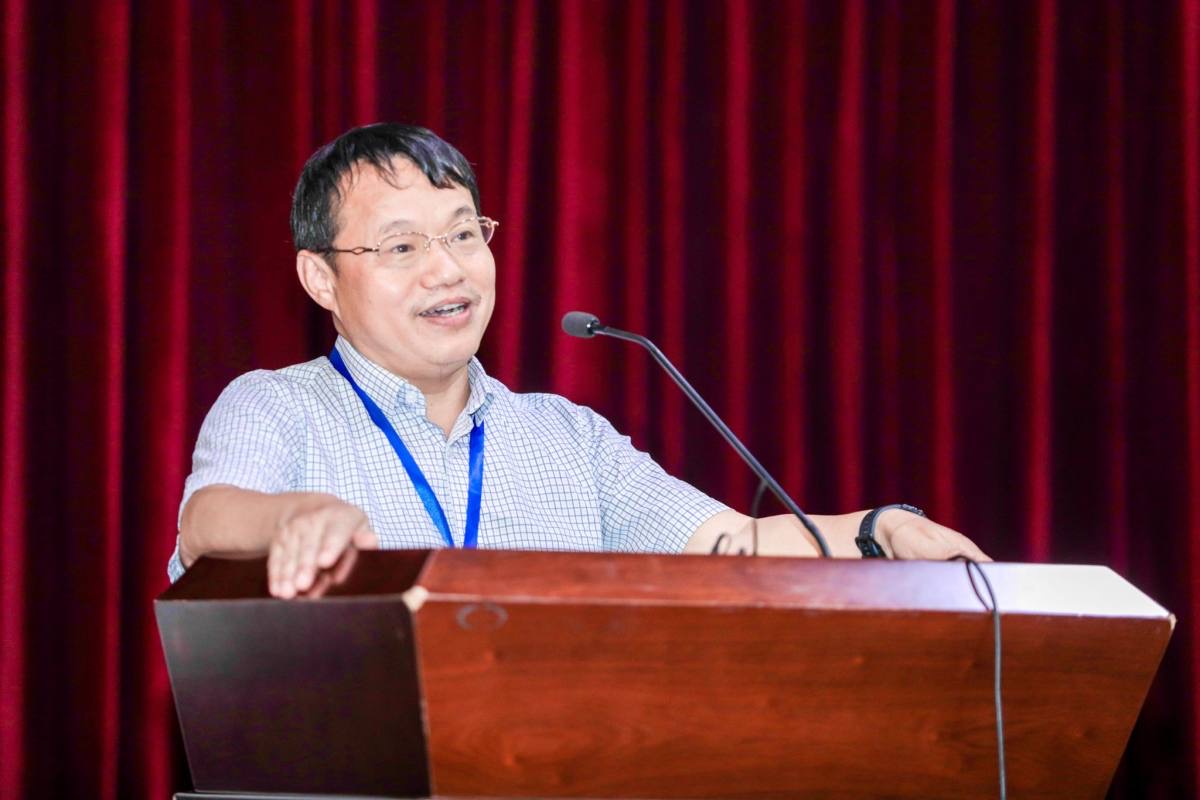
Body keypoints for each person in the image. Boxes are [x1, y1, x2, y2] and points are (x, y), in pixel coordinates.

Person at [170, 123, 988, 597]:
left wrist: (879, 531)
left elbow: (732, 542)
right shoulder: (277, 405)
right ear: (321, 277)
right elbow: (205, 526)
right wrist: (292, 518)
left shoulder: (567, 436)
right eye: (402, 246)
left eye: (463, 234)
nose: (447, 270)